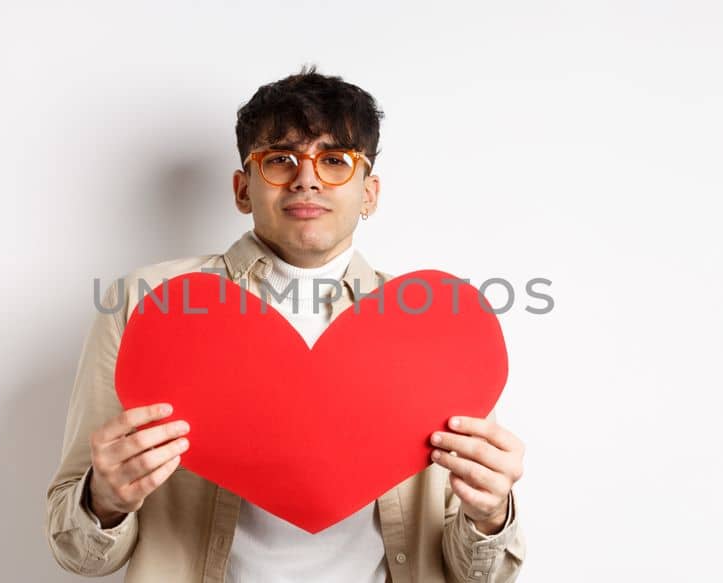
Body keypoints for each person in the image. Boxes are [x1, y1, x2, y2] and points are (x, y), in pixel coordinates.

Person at [45, 65, 526, 583]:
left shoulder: (435, 326)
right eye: (279, 160)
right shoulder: (148, 306)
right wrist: (105, 500)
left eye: (335, 160)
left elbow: (481, 573)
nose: (307, 177)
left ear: (369, 193)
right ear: (243, 189)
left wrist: (490, 514)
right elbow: (79, 553)